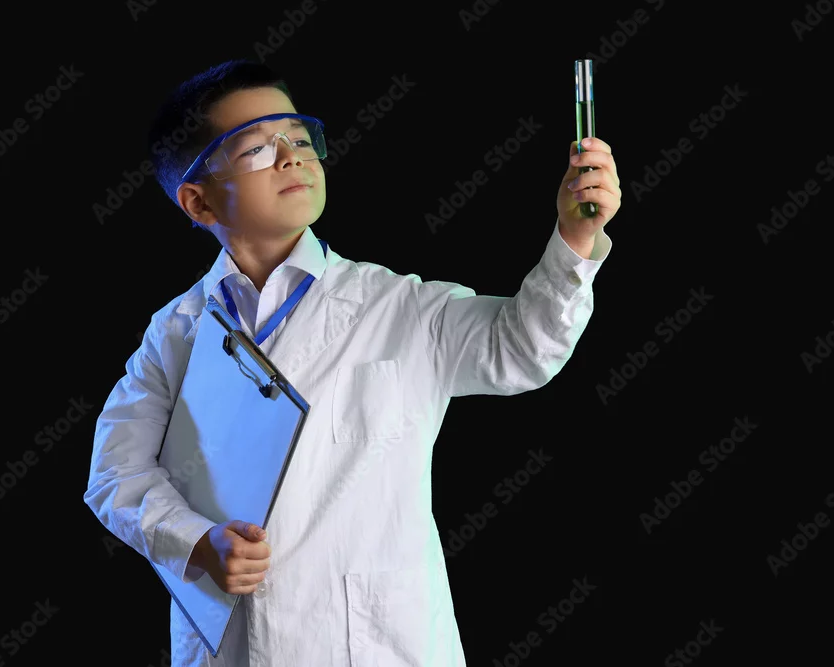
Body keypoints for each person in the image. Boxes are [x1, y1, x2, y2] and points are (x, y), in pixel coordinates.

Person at [83, 58, 620, 667]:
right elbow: (115, 474)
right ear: (198, 202)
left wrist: (575, 242)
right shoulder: (176, 333)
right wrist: (197, 543)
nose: (290, 158)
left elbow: (520, 349)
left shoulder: (398, 306)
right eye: (255, 149)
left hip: (377, 646)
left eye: (298, 138)